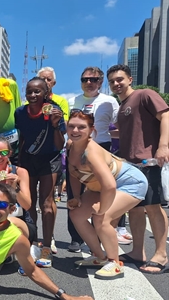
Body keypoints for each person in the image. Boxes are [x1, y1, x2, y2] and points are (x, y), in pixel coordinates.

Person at [67, 109, 148, 279]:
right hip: (101, 186)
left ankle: (115, 263)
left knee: (101, 218)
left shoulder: (91, 153)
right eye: (71, 126)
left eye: (81, 127)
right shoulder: (70, 146)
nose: (75, 131)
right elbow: (74, 172)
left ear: (92, 130)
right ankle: (100, 257)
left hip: (130, 183)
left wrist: (103, 209)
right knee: (76, 214)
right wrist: (75, 196)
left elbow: (110, 186)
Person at [107, 64, 169, 274]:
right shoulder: (122, 105)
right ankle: (137, 252)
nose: (116, 84)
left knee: (153, 207)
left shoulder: (145, 95)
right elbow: (131, 132)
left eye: (120, 79)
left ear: (130, 79)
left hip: (148, 161)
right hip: (130, 164)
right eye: (112, 81)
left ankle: (161, 254)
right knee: (134, 208)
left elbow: (166, 116)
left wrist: (163, 146)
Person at [67, 67, 127, 250]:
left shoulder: (110, 101)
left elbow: (120, 126)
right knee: (74, 192)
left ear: (101, 82)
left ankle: (101, 233)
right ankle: (76, 237)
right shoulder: (72, 101)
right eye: (85, 79)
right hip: (76, 149)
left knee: (104, 192)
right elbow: (68, 127)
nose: (89, 83)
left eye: (93, 79)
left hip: (102, 148)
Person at [15, 77, 65, 268]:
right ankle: (32, 243)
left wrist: (55, 124)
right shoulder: (20, 112)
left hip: (49, 159)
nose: (33, 95)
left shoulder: (54, 111)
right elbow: (21, 139)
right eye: (29, 91)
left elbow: (60, 145)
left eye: (37, 91)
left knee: (46, 203)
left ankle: (46, 246)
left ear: (46, 93)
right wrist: (18, 162)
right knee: (29, 203)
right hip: (28, 160)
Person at [0, 137, 36, 247]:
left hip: (21, 221)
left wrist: (15, 188)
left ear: (9, 153)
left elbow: (27, 205)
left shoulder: (21, 172)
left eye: (3, 152)